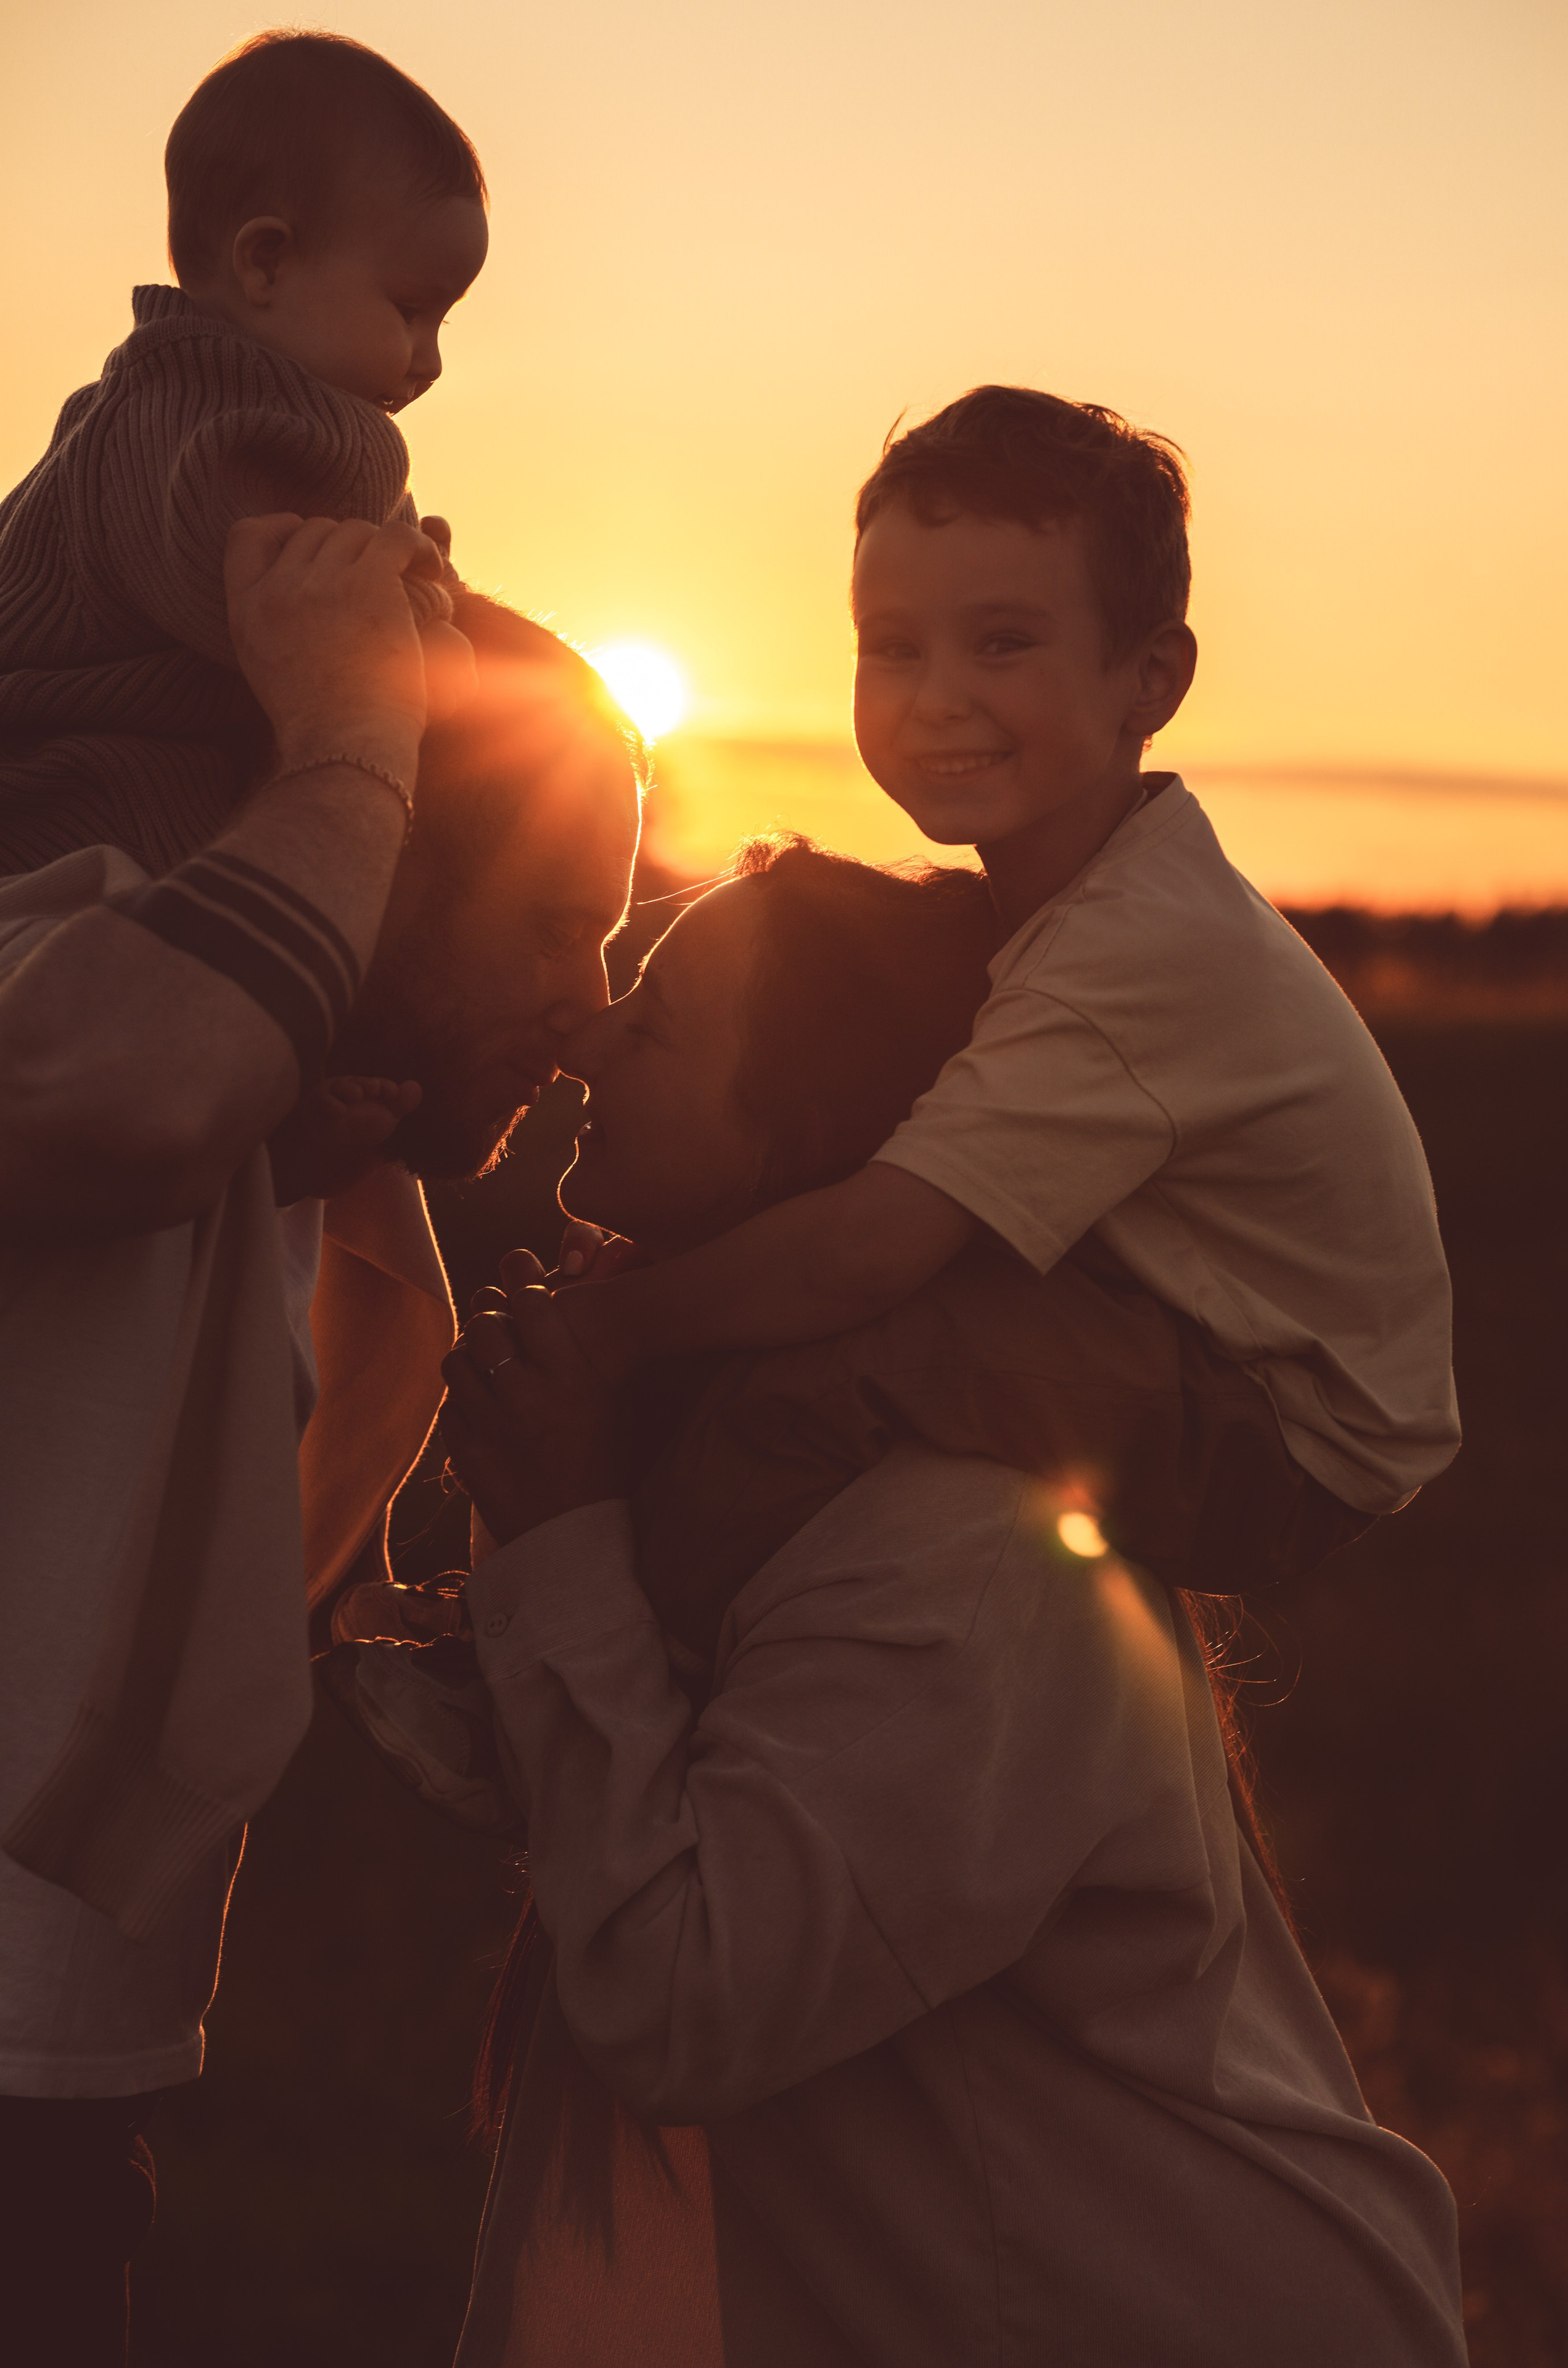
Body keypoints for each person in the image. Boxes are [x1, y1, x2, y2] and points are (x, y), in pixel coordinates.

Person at [435, 841, 1469, 2367]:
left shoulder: (958, 1552)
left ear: (807, 1137)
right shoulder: (776, 1463)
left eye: (653, 1024)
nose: (584, 1038)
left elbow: (679, 2000)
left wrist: (560, 1540)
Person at [0, 522, 641, 2364]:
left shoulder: (339, 1191)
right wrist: (358, 731)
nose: (587, 1009)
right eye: (546, 919)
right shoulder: (63, 979)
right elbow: (93, 1091)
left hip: (76, 2089)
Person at [556, 387, 1459, 1572]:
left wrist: (609, 1332)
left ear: (1151, 680)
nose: (937, 695)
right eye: (895, 647)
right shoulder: (1083, 903)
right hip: (1182, 1344)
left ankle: (631, 1646)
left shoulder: (1138, 952)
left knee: (837, 1354)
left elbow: (868, 1249)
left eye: (1003, 643)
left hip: (1285, 1427)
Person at [0, 28, 487, 876]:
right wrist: (434, 623)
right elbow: (318, 633)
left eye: (443, 321)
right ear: (266, 263)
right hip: (71, 831)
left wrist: (420, 579)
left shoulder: (167, 401)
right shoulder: (218, 432)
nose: (429, 358)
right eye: (410, 310)